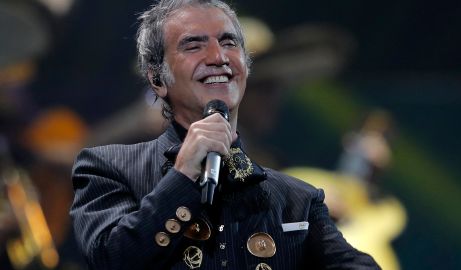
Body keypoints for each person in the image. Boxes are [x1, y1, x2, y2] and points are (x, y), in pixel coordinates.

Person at [69, 0, 380, 269]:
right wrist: (183, 178)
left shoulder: (297, 195)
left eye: (231, 44)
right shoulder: (106, 167)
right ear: (158, 79)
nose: (219, 57)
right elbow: (110, 261)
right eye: (193, 45)